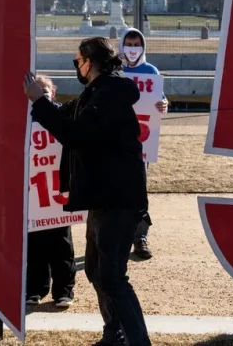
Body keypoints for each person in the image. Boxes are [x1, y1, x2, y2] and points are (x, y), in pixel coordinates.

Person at [24, 37, 151, 346]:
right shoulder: (98, 91)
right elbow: (68, 115)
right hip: (104, 198)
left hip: (118, 200)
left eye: (77, 61)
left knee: (112, 277)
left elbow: (77, 134)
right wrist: (41, 102)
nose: (76, 67)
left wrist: (40, 102)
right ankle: (114, 333)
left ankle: (137, 341)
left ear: (90, 62)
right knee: (96, 271)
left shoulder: (111, 93)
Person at [25, 75, 76, 309]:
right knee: (34, 245)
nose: (41, 93)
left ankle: (64, 291)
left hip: (58, 191)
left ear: (53, 92)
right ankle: (35, 289)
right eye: (37, 89)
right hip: (33, 191)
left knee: (61, 244)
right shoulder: (23, 118)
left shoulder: (64, 114)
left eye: (45, 89)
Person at [119, 27, 168, 260]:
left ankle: (140, 237)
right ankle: (118, 236)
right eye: (128, 43)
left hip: (141, 143)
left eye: (136, 44)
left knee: (139, 190)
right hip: (115, 142)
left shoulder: (151, 71)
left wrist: (163, 105)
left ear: (143, 46)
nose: (132, 48)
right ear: (122, 45)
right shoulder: (115, 71)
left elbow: (160, 99)